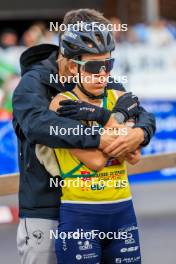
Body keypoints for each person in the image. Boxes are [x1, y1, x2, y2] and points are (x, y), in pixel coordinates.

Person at [12, 8, 156, 264]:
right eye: (93, 59)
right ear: (69, 51)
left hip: (104, 205)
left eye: (107, 62)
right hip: (46, 210)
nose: (103, 70)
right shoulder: (33, 83)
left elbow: (136, 109)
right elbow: (38, 126)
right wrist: (102, 137)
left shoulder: (101, 77)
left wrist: (140, 133)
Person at [43, 21, 142, 264]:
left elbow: (135, 156)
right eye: (93, 66)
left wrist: (104, 118)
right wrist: (121, 131)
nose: (102, 74)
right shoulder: (60, 103)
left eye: (108, 65)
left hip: (123, 212)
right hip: (81, 214)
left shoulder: (117, 96)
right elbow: (96, 161)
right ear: (72, 67)